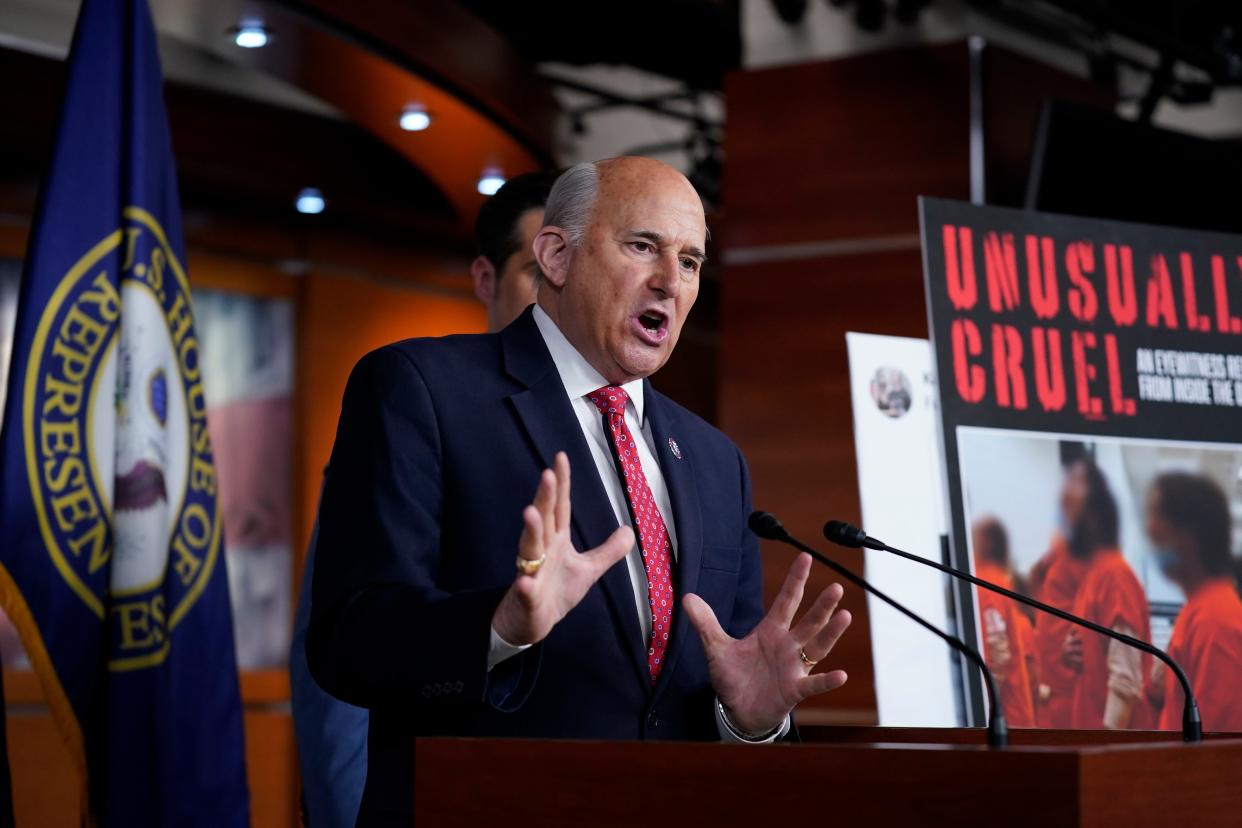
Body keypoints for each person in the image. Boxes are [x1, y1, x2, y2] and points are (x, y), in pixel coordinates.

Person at [307, 157, 854, 825]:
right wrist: (500, 627)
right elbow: (346, 642)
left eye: (690, 261)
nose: (669, 282)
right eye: (642, 246)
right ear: (556, 257)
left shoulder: (717, 461)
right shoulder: (421, 390)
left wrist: (747, 721)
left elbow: (707, 687)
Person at [289, 171, 558, 827]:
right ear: (486, 280)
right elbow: (348, 672)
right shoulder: (415, 422)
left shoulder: (630, 446)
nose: (562, 292)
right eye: (537, 269)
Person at [1142, 472, 1242, 732]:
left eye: (1156, 519)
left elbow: (1217, 740)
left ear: (1190, 535)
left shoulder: (1215, 620)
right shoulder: (1198, 609)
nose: (1149, 531)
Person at [1057, 458, 1152, 730]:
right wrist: (1071, 652)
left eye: (1073, 486)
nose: (1063, 497)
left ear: (1095, 513)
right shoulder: (1094, 575)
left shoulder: (1114, 576)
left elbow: (1126, 679)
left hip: (1113, 749)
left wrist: (1104, 748)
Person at [971, 517, 1037, 728]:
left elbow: (998, 655)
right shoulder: (993, 579)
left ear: (987, 542)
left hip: (1006, 721)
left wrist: (982, 709)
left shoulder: (988, 580)